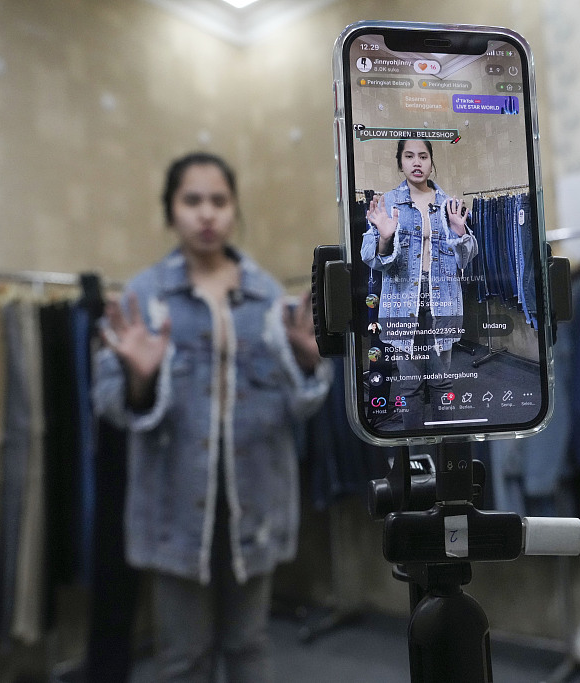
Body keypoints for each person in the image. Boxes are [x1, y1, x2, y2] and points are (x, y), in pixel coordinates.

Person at [92, 152, 330, 682]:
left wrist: (307, 361)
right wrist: (140, 379)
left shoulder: (268, 296)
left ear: (234, 209)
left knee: (249, 646)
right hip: (173, 508)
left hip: (257, 504)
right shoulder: (143, 297)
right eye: (192, 200)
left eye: (219, 201)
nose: (206, 214)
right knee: (184, 657)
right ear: (170, 211)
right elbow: (109, 403)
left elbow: (304, 407)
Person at [361, 138, 478, 429]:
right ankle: (415, 449)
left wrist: (459, 231)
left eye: (423, 156)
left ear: (431, 161)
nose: (417, 162)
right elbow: (368, 255)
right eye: (409, 156)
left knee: (441, 382)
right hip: (402, 300)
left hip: (444, 300)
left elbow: (466, 258)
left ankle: (445, 447)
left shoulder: (449, 203)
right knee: (410, 386)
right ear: (399, 161)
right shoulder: (387, 202)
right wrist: (385, 237)